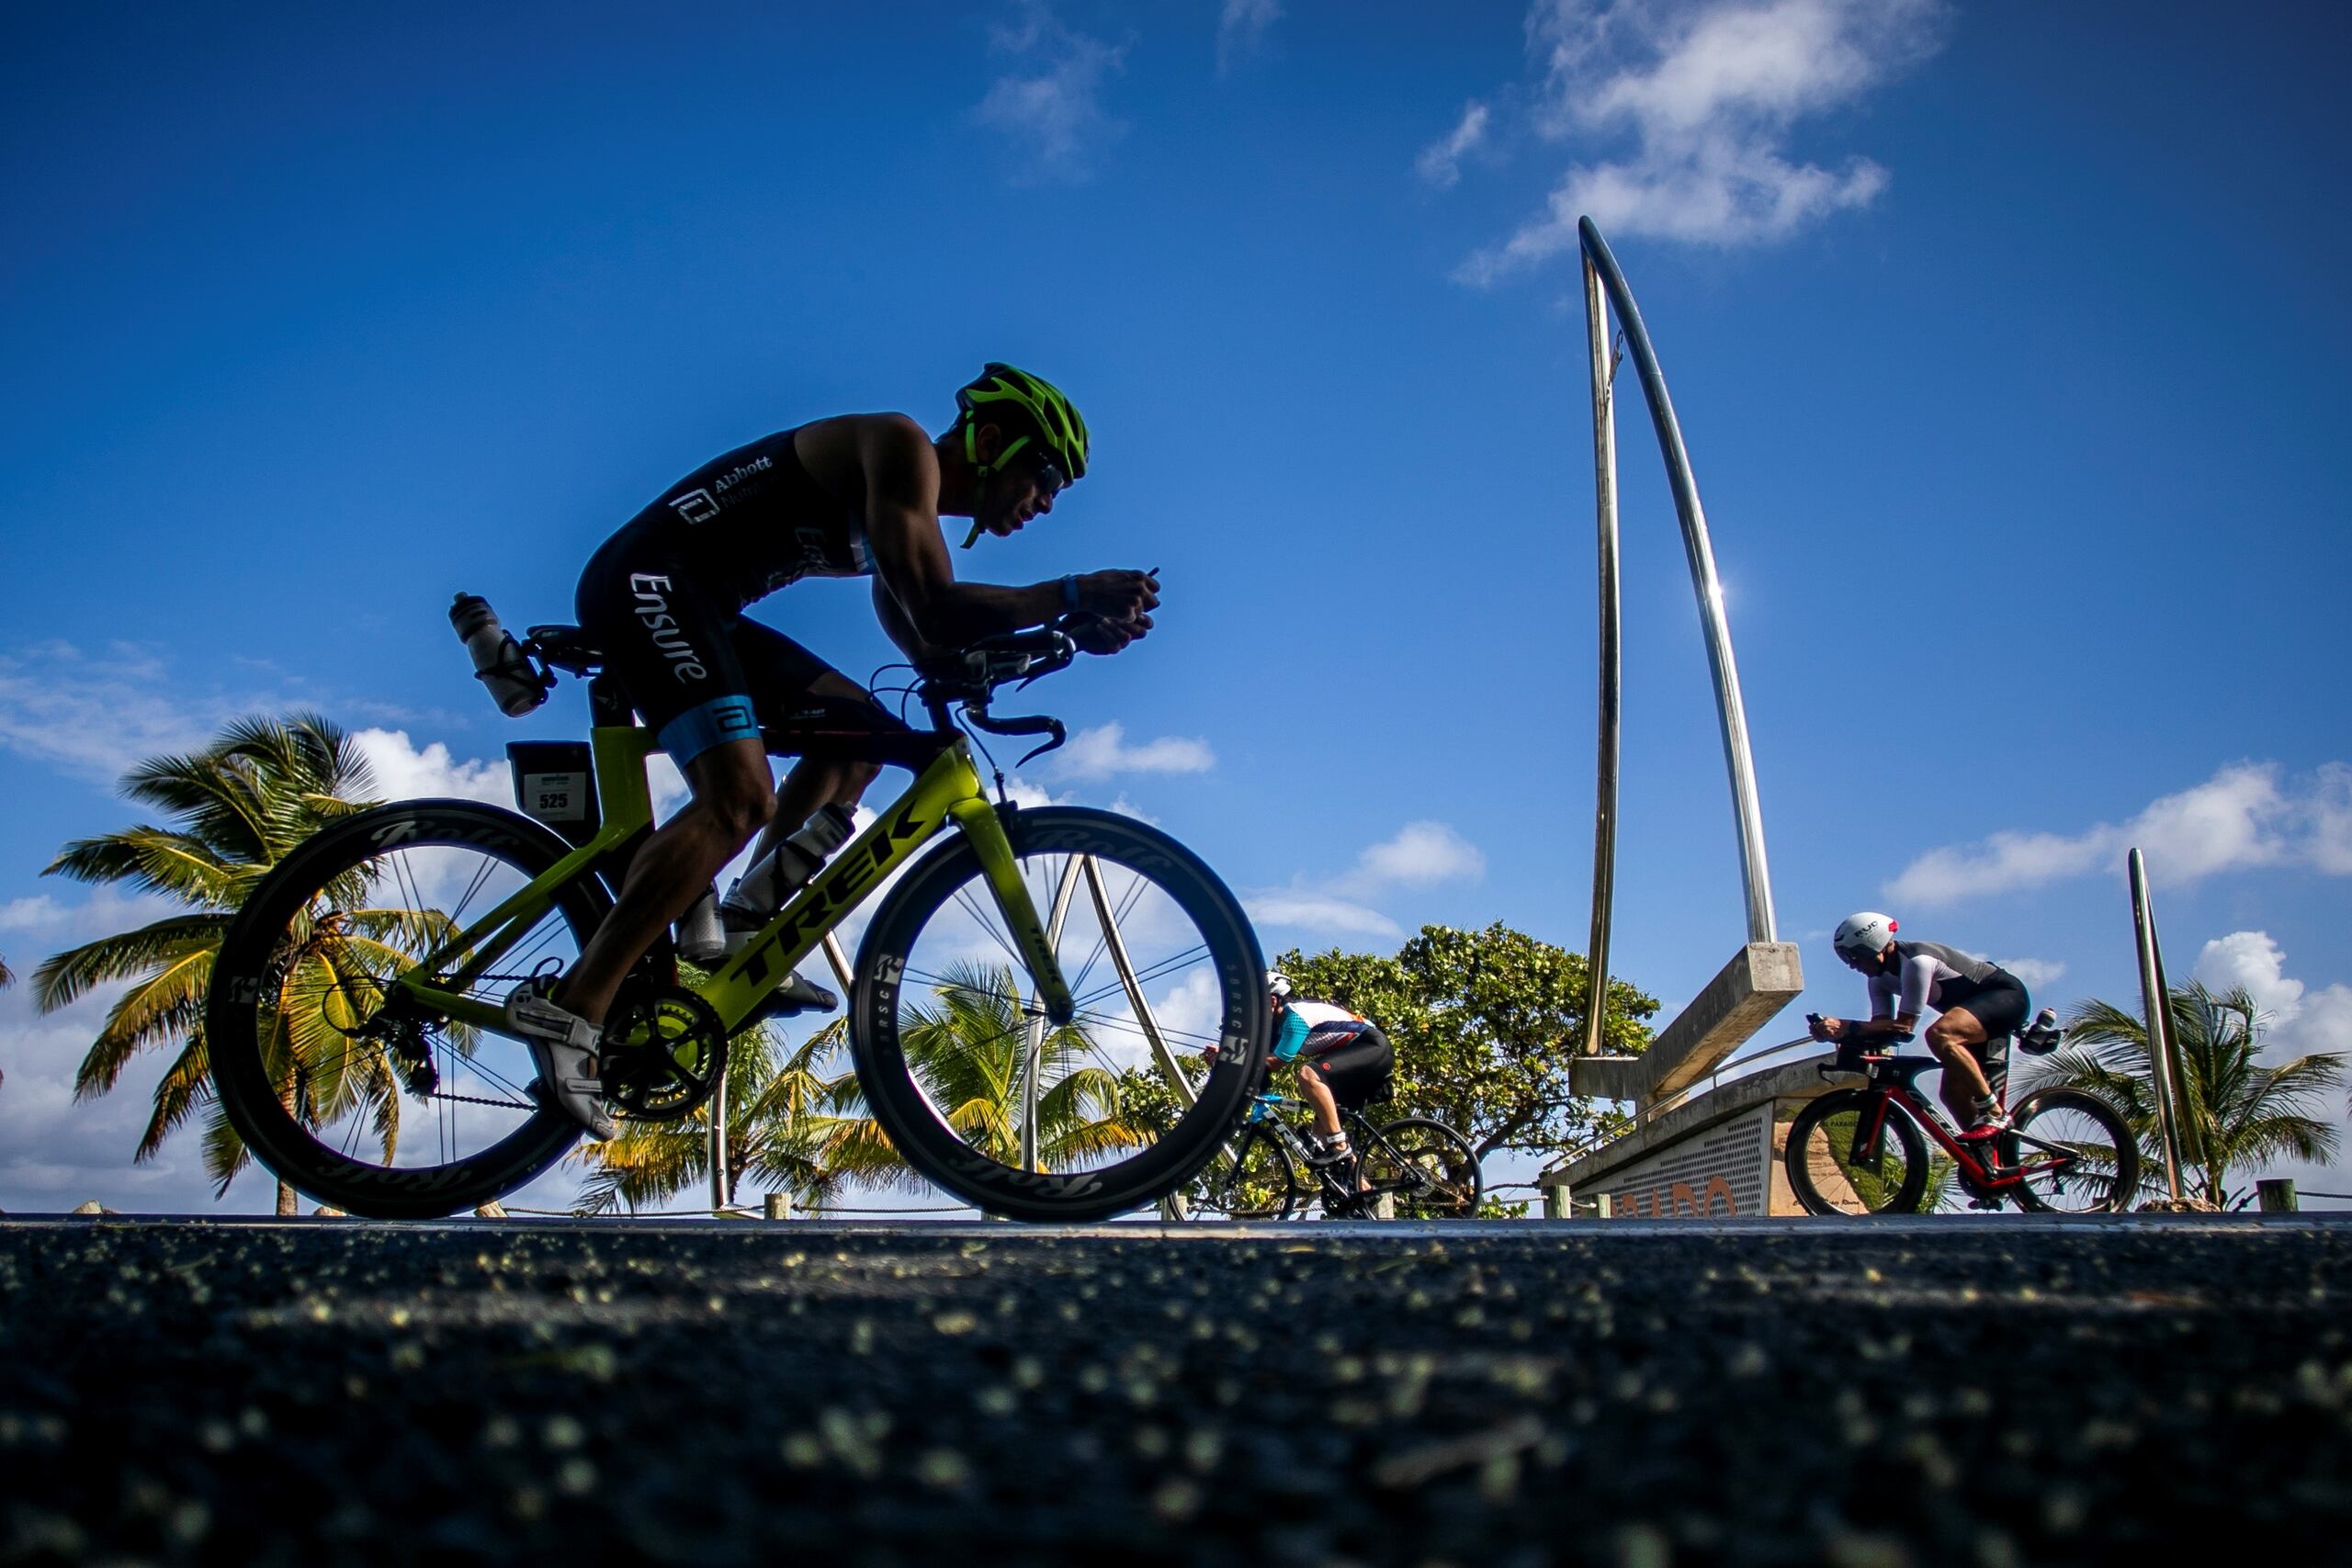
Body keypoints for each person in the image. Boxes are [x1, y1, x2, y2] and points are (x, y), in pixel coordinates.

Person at [505, 364, 1160, 1138]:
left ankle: (746, 918)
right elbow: (940, 609)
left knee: (861, 739)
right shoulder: (899, 448)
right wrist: (1074, 593)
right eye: (1043, 474)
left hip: (698, 603)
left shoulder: (903, 518)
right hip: (648, 584)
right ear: (990, 440)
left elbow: (931, 646)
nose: (1045, 500)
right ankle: (573, 1006)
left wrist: (1060, 637)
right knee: (739, 798)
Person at [1808, 911, 2031, 1141]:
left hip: (2006, 997)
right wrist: (1837, 1034)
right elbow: (1882, 1028)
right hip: (1971, 1018)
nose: (1852, 966)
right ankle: (1984, 1159)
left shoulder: (1916, 962)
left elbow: (1904, 1026)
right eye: (1846, 959)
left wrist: (1846, 1025)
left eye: (1855, 957)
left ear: (1874, 946)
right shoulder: (1877, 980)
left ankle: (1994, 1112)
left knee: (1940, 1034)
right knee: (1952, 1096)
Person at [1261, 971, 1395, 1170]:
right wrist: (1224, 1057)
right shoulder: (1277, 1027)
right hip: (1349, 1070)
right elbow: (1259, 1058)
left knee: (1308, 1074)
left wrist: (1231, 1056)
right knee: (1319, 1140)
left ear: (1272, 1001)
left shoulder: (1294, 1017)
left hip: (1372, 1046)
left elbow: (1276, 1062)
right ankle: (1360, 1188)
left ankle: (1340, 1145)